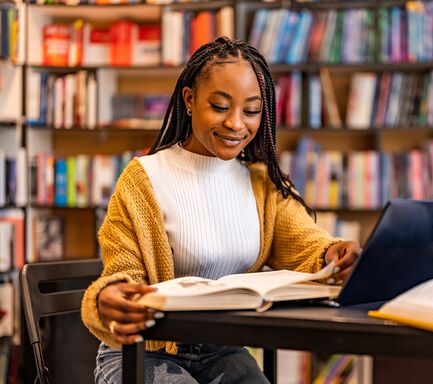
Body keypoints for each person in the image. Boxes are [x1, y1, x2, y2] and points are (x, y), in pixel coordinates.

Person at [81, 36, 361, 384]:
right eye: (220, 106)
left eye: (251, 110)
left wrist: (333, 253)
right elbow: (121, 272)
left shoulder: (261, 182)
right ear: (189, 100)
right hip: (143, 351)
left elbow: (307, 243)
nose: (235, 124)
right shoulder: (143, 180)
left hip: (222, 349)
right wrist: (109, 296)